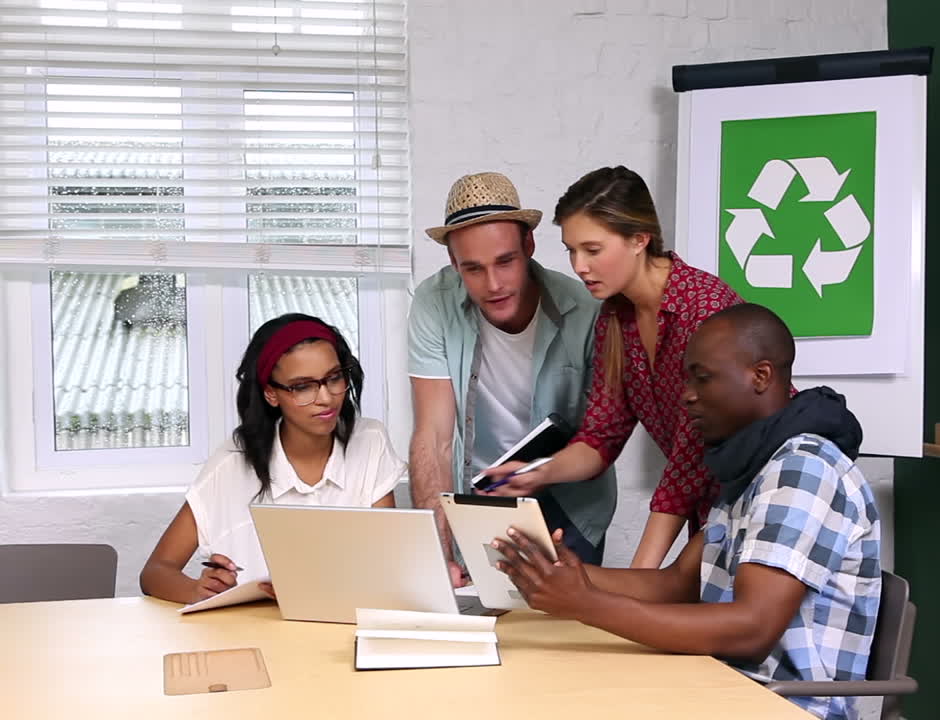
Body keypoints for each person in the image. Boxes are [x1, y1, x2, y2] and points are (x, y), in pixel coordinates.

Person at [491, 303, 881, 720]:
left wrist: (586, 604)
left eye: (703, 378)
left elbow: (753, 628)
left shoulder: (802, 468)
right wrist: (562, 575)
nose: (687, 395)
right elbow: (678, 584)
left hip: (785, 705)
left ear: (760, 376)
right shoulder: (755, 465)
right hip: (722, 687)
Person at [483, 165, 742, 568]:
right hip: (708, 514)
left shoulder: (705, 312)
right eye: (571, 250)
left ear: (640, 239)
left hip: (759, 503)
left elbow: (688, 465)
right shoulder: (615, 320)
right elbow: (600, 439)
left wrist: (637, 580)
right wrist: (538, 472)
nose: (579, 266)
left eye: (592, 249)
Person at [408, 171, 616, 581]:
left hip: (570, 500)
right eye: (473, 269)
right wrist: (437, 550)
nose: (494, 284)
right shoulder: (434, 303)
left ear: (529, 246)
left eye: (506, 261)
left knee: (561, 635)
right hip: (477, 496)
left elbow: (604, 434)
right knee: (477, 622)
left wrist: (537, 473)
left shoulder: (587, 310)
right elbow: (432, 437)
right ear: (453, 264)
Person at [140, 313, 403, 604]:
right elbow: (154, 572)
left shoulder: (370, 442)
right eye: (302, 387)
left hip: (345, 627)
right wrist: (195, 590)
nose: (326, 398)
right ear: (270, 393)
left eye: (334, 378)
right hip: (253, 634)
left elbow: (387, 564)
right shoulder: (232, 463)